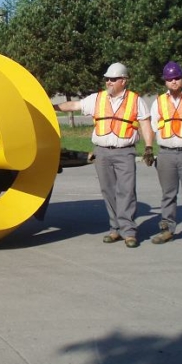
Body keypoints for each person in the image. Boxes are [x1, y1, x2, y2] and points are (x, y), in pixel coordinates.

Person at [53, 63, 154, 248]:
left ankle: (128, 231)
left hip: (125, 151)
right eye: (107, 79)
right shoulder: (97, 98)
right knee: (108, 191)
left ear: (123, 81)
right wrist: (51, 106)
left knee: (126, 191)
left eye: (113, 79)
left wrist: (148, 147)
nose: (109, 82)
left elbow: (145, 124)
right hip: (102, 152)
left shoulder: (135, 100)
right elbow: (74, 105)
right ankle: (115, 228)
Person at [150, 61, 182, 244]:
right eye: (170, 79)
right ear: (165, 81)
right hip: (166, 153)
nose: (174, 81)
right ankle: (167, 229)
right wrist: (149, 148)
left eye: (177, 78)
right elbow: (152, 126)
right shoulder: (158, 102)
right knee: (168, 194)